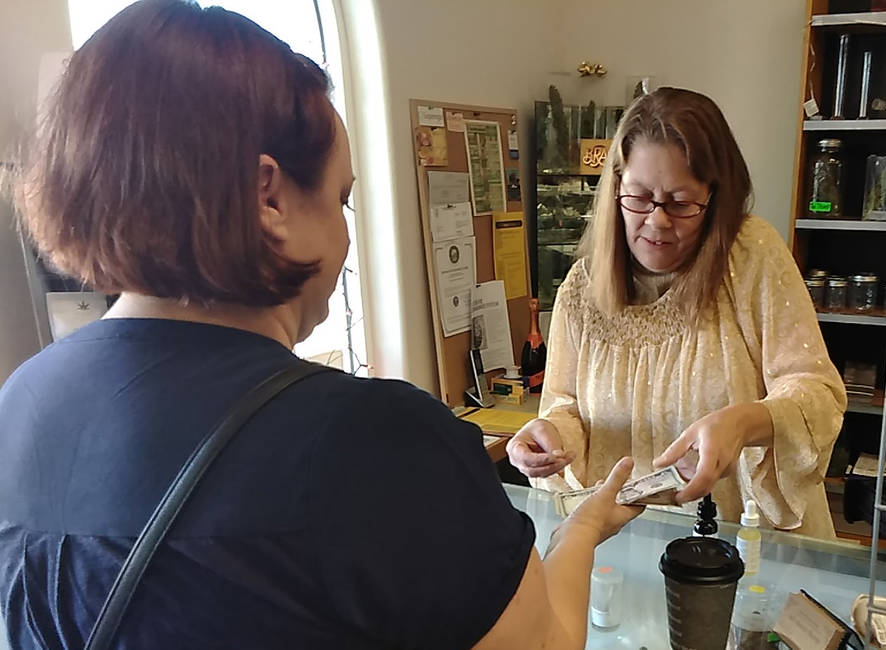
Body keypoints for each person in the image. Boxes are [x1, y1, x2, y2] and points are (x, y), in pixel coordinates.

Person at [0, 2, 641, 648]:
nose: (344, 235)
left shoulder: (21, 404)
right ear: (269, 197)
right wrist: (581, 529)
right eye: (340, 199)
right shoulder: (378, 443)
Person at [508, 88, 847, 538]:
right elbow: (566, 408)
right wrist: (546, 436)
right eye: (639, 197)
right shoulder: (581, 289)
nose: (657, 220)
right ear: (616, 188)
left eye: (681, 203)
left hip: (740, 542)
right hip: (625, 544)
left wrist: (742, 424)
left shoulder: (751, 259)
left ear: (716, 199)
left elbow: (819, 395)